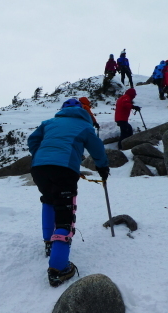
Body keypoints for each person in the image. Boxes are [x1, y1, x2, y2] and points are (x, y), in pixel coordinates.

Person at [28, 98, 109, 287]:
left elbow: (32, 140)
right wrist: (103, 167)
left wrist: (40, 155)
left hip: (39, 168)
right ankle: (58, 268)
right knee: (65, 213)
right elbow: (97, 149)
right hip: (64, 169)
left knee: (48, 201)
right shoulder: (84, 125)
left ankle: (49, 243)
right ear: (82, 110)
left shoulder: (49, 123)